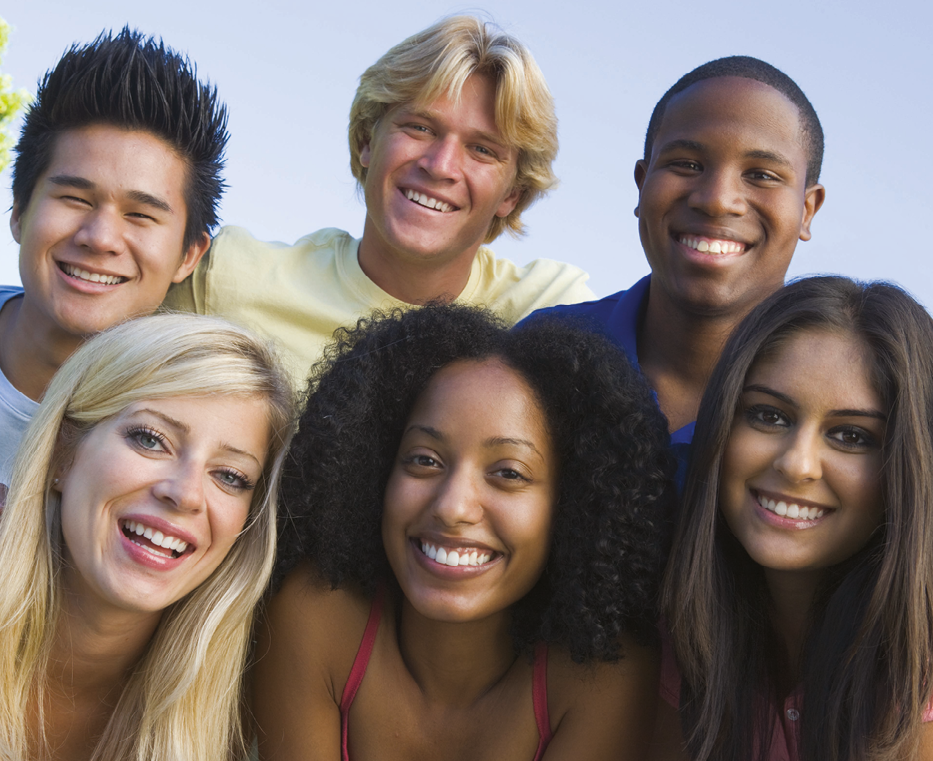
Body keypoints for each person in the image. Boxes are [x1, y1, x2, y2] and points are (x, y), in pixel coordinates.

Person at [254, 304, 676, 759]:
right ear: (374, 471)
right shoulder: (314, 615)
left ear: (574, 505)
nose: (452, 507)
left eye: (509, 473)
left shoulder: (601, 675)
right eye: (424, 460)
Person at [164, 16, 594, 389]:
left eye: (482, 150)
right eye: (420, 127)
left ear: (512, 194)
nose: (440, 166)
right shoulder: (227, 278)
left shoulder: (551, 311)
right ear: (369, 139)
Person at [651, 276, 933, 760]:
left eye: (851, 436)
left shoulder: (919, 671)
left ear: (909, 468)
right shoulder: (675, 631)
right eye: (769, 416)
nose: (796, 464)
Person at [0, 313, 294, 760]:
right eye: (150, 439)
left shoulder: (252, 713)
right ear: (63, 451)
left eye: (231, 476)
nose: (185, 494)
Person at [521, 56, 826, 475]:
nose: (718, 199)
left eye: (762, 175)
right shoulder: (538, 355)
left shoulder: (845, 396)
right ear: (642, 183)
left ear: (807, 210)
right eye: (687, 164)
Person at [0, 28, 228, 489]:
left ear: (189, 255)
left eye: (141, 215)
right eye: (75, 199)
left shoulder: (188, 454)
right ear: (20, 212)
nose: (100, 238)